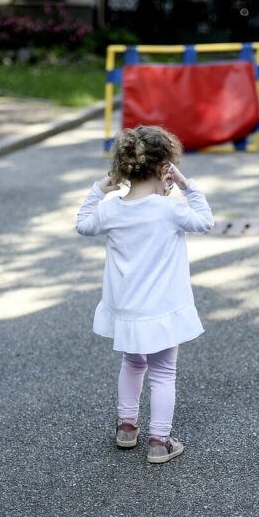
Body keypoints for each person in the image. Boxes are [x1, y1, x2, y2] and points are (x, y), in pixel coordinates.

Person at [75, 125, 214, 464]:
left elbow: (83, 224)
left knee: (133, 362)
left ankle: (126, 427)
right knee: (163, 372)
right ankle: (159, 441)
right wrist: (186, 185)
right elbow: (205, 221)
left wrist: (98, 189)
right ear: (165, 168)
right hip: (162, 309)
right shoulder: (170, 209)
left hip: (127, 308)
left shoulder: (110, 210)